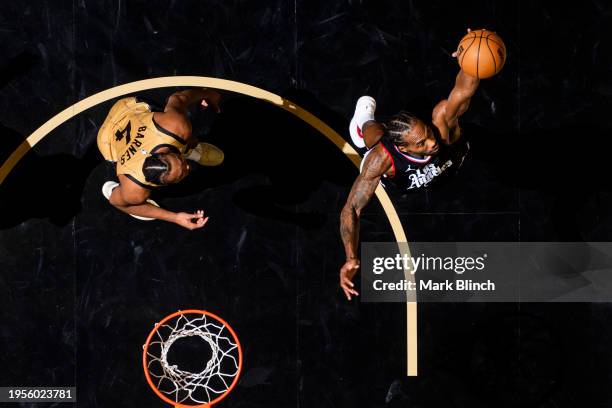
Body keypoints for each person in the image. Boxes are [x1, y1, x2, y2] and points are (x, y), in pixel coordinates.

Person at [339, 45, 483, 300]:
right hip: (398, 178)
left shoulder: (440, 126)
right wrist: (351, 257)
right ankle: (362, 120)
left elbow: (463, 90)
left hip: (446, 170)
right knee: (372, 133)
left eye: (427, 134)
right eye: (422, 144)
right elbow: (351, 208)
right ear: (403, 147)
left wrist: (471, 60)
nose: (431, 144)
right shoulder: (382, 158)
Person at [97, 88, 224, 230]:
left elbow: (179, 98)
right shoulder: (134, 190)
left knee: (183, 134)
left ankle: (190, 150)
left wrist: (207, 93)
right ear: (159, 184)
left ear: (161, 154)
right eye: (181, 174)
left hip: (127, 108)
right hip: (107, 140)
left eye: (180, 161)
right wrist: (175, 218)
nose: (188, 167)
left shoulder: (174, 125)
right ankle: (114, 188)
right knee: (128, 199)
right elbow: (117, 203)